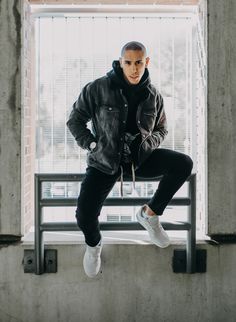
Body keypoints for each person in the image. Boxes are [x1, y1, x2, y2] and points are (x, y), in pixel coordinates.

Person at [67, 41, 193, 278]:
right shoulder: (97, 88)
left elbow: (162, 129)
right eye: (128, 63)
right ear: (120, 62)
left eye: (138, 62)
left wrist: (146, 145)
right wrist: (93, 144)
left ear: (146, 62)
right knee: (84, 215)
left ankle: (150, 214)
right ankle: (94, 245)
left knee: (183, 163)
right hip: (104, 161)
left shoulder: (153, 95)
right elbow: (75, 121)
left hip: (140, 160)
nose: (134, 68)